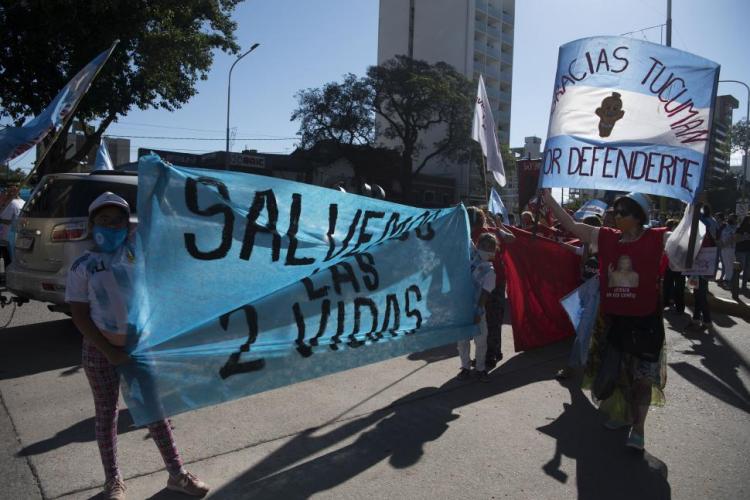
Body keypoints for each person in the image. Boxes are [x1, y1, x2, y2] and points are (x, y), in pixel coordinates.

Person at [66, 192, 209, 499]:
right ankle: (113, 481)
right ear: (92, 225)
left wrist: (161, 183)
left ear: (126, 225)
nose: (111, 226)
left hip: (139, 350)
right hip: (100, 353)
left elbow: (162, 225)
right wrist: (110, 352)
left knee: (154, 412)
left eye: (117, 221)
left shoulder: (135, 253)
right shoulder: (83, 266)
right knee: (107, 416)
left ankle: (177, 475)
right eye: (103, 220)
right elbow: (79, 315)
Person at [543, 188, 667, 451]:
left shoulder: (657, 238)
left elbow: (684, 247)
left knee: (643, 380)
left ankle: (639, 430)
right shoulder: (606, 238)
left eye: (621, 213)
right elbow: (571, 225)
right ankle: (623, 417)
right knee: (619, 376)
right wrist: (549, 199)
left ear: (638, 216)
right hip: (615, 322)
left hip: (646, 323)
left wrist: (694, 209)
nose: (615, 216)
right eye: (614, 211)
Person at [467, 207, 515, 369]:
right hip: (497, 281)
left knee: (486, 320)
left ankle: (489, 355)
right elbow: (512, 238)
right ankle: (493, 352)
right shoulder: (494, 230)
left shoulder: (471, 234)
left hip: (484, 282)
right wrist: (500, 226)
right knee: (494, 320)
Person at [457, 231, 497, 383]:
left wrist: (478, 312)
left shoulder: (490, 271)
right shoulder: (473, 257)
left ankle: (480, 368)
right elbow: (466, 238)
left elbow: (485, 294)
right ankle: (465, 367)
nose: (486, 248)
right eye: (483, 245)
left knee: (480, 340)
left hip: (476, 311)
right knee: (462, 340)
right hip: (462, 308)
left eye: (491, 247)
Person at [661, 219, 686, 314]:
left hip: (678, 266)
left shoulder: (682, 236)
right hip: (671, 265)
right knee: (668, 286)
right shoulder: (668, 234)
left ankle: (678, 306)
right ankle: (668, 304)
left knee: (678, 287)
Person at [0, 184, 25, 265]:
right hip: (20, 232)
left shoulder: (11, 203)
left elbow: (6, 219)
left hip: (8, 235)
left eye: (8, 191)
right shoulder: (23, 202)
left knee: (8, 256)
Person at [718, 213, 737, 286]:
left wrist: (725, 244)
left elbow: (733, 238)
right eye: (728, 217)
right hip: (723, 248)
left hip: (731, 249)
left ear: (735, 219)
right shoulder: (725, 226)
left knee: (730, 266)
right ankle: (727, 280)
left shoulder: (736, 227)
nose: (728, 219)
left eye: (730, 218)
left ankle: (729, 281)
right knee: (726, 265)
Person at [735, 215, 750, 290]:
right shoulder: (740, 229)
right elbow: (735, 239)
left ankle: (744, 286)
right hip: (740, 251)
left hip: (748, 251)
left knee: (747, 269)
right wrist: (744, 237)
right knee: (741, 267)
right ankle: (734, 283)